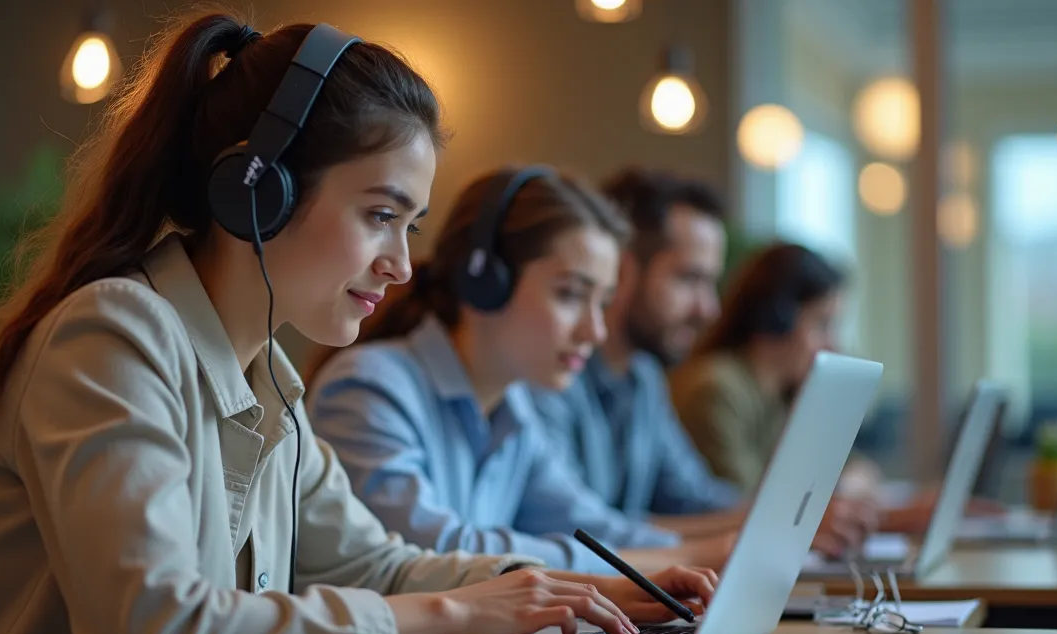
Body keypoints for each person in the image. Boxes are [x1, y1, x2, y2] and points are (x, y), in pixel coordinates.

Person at [0, 15, 714, 634]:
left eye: (410, 224)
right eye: (380, 214)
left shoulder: (269, 377)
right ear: (257, 189)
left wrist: (562, 592)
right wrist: (449, 612)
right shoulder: (112, 339)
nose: (402, 265)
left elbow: (374, 565)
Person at [306, 166, 737, 577]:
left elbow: (593, 528)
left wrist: (709, 554)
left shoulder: (514, 410)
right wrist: (684, 556)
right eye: (570, 295)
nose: (595, 330)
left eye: (602, 303)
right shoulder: (369, 386)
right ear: (485, 282)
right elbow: (440, 548)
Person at [529, 168, 877, 556]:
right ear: (622, 272)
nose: (709, 309)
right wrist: (778, 525)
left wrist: (792, 520)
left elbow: (697, 499)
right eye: (688, 279)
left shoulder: (643, 380)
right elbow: (585, 530)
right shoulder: (545, 379)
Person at [669, 242, 970, 535]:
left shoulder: (780, 395)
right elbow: (750, 512)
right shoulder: (716, 391)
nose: (832, 344)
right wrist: (891, 515)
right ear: (777, 317)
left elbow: (853, 470)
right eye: (821, 324)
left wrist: (843, 489)